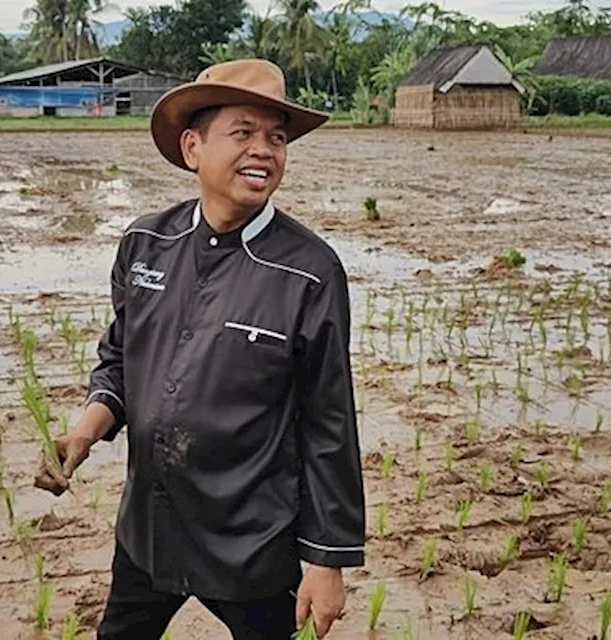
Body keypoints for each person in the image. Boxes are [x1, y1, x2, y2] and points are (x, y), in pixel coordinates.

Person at [34, 59, 365, 639]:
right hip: (149, 530)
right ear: (193, 147)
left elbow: (328, 422)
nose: (264, 150)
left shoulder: (308, 273)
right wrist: (85, 430)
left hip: (252, 544)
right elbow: (120, 359)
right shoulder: (145, 245)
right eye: (243, 132)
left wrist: (327, 560)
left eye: (277, 137)